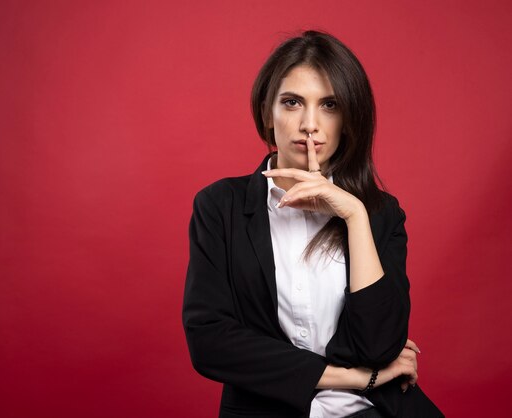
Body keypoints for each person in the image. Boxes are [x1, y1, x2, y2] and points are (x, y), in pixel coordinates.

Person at [182, 31, 443, 418]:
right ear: (268, 113)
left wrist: (354, 215)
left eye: (329, 105)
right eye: (292, 102)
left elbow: (380, 347)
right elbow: (210, 341)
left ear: (349, 119)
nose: (309, 124)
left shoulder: (379, 213)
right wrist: (353, 376)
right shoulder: (220, 206)